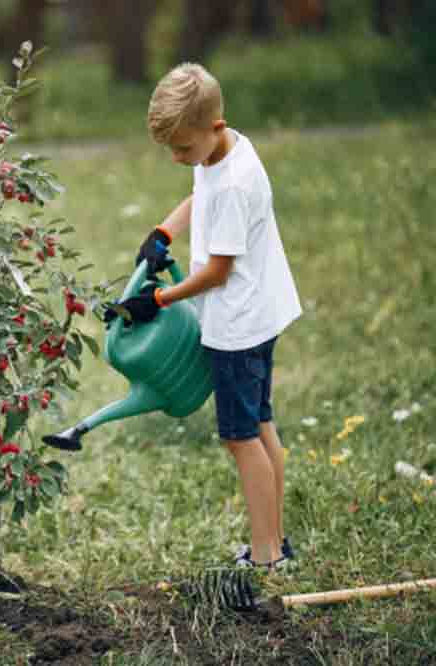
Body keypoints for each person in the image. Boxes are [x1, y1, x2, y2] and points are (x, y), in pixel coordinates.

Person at [110, 63, 302, 569]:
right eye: (171, 150)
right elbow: (202, 192)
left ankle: (265, 556)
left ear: (213, 128)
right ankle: (276, 543)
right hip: (259, 310)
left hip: (238, 325)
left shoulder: (237, 184)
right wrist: (163, 233)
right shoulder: (223, 148)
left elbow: (217, 272)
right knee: (260, 426)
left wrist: (156, 300)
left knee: (240, 438)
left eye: (183, 150)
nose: (178, 159)